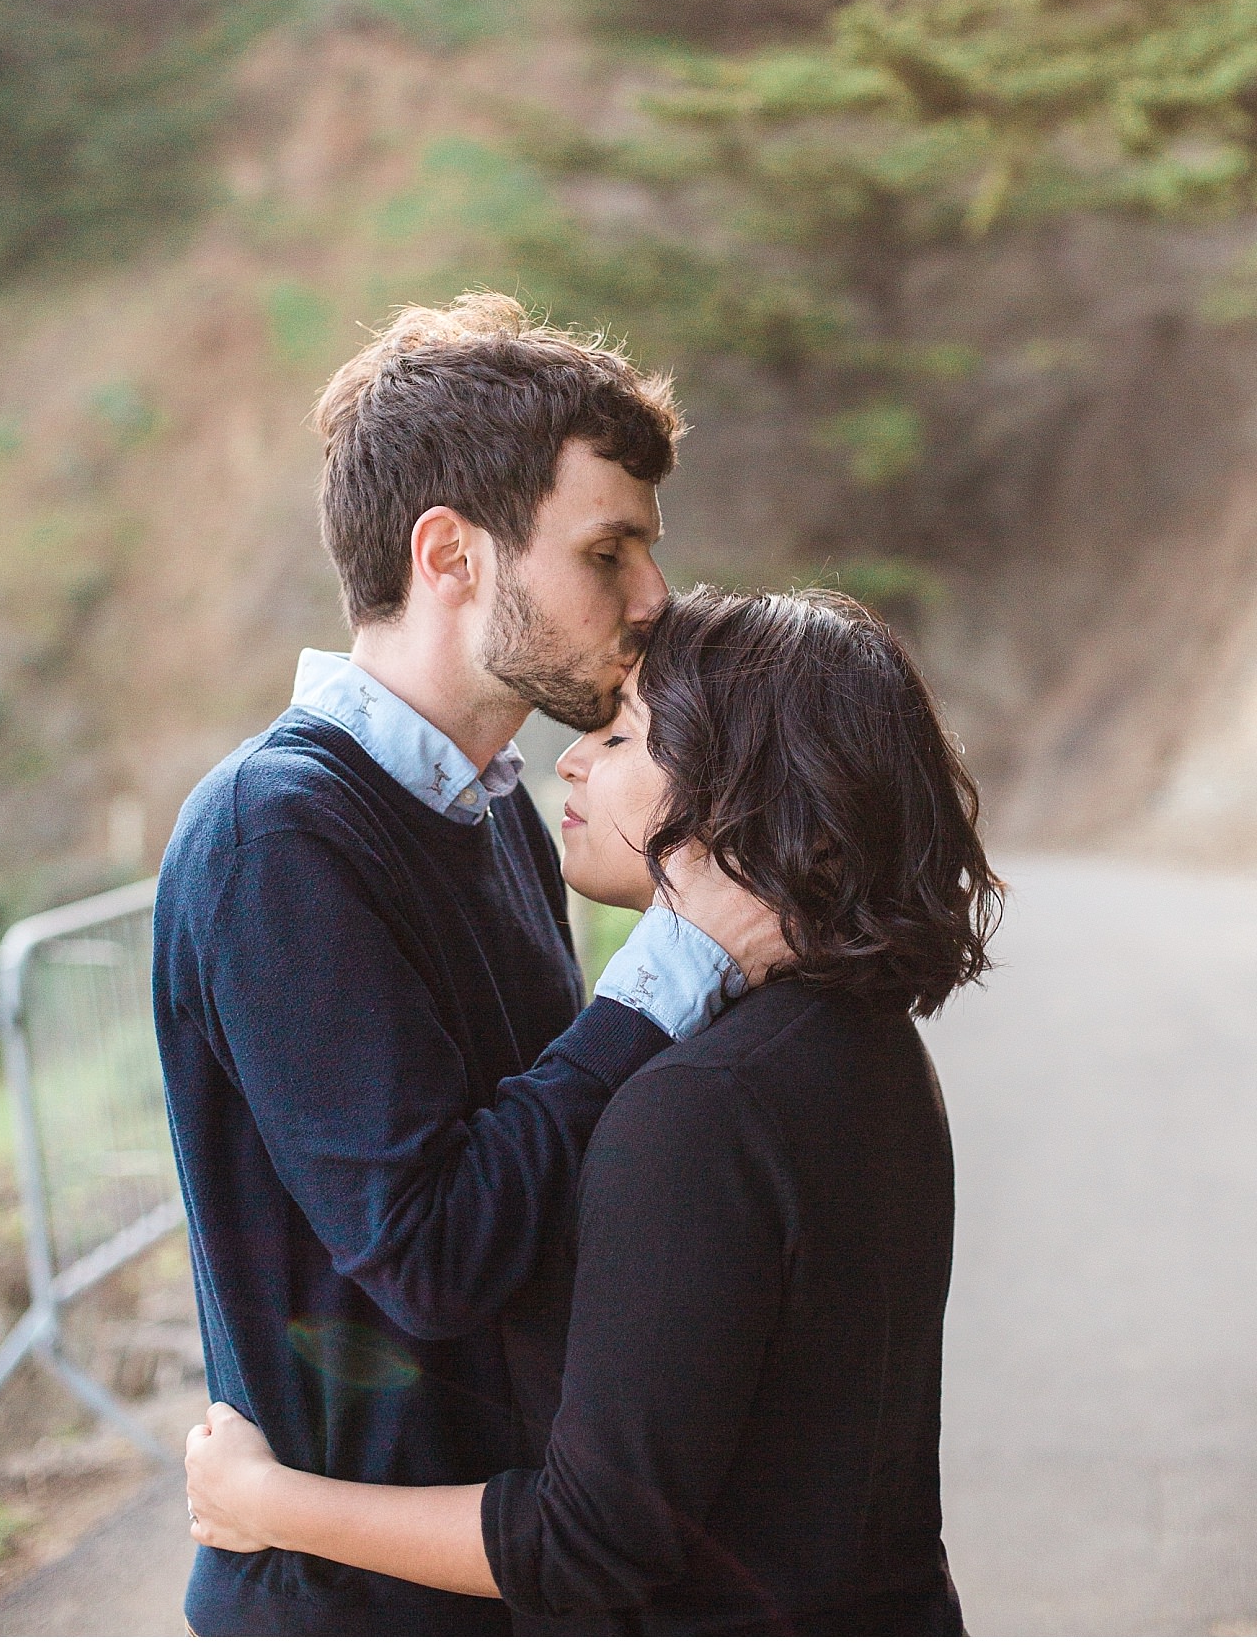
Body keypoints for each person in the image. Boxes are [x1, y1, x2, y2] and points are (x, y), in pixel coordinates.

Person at [186, 585, 1002, 1636]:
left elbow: (591, 1543)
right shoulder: (861, 1044)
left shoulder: (701, 1111)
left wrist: (270, 1504)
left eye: (620, 735)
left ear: (739, 789)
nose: (567, 759)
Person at [154, 297, 782, 1638]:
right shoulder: (275, 832)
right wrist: (672, 967)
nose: (652, 598)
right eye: (606, 552)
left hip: (508, 1565)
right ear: (449, 553)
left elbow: (540, 1166)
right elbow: (436, 1253)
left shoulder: (491, 804)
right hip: (350, 1603)